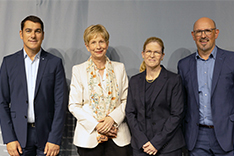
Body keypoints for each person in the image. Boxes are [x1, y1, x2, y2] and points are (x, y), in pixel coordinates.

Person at [0, 15, 68, 156]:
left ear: (43, 35)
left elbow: (60, 103)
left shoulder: (54, 63)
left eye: (37, 31)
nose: (33, 35)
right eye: (28, 30)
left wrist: (55, 138)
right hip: (18, 138)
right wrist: (9, 138)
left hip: (47, 137)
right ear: (21, 34)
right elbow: (2, 102)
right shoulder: (8, 63)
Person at [68, 24, 131, 156]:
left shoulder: (119, 68)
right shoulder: (78, 70)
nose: (98, 46)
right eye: (93, 42)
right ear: (87, 46)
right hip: (89, 137)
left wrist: (111, 120)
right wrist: (98, 126)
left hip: (117, 135)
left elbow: (127, 100)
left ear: (107, 44)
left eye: (101, 41)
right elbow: (74, 105)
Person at [178, 17, 234, 156]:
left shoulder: (231, 60)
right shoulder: (184, 65)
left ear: (216, 33)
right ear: (193, 35)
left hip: (227, 134)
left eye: (208, 31)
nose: (203, 35)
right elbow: (182, 102)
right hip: (196, 138)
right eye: (199, 32)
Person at [126, 37, 185, 156]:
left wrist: (156, 143)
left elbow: (177, 115)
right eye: (148, 51)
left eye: (156, 52)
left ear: (162, 56)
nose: (152, 55)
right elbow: (130, 113)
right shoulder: (134, 81)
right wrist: (143, 141)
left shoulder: (173, 80)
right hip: (141, 147)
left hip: (168, 147)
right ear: (143, 54)